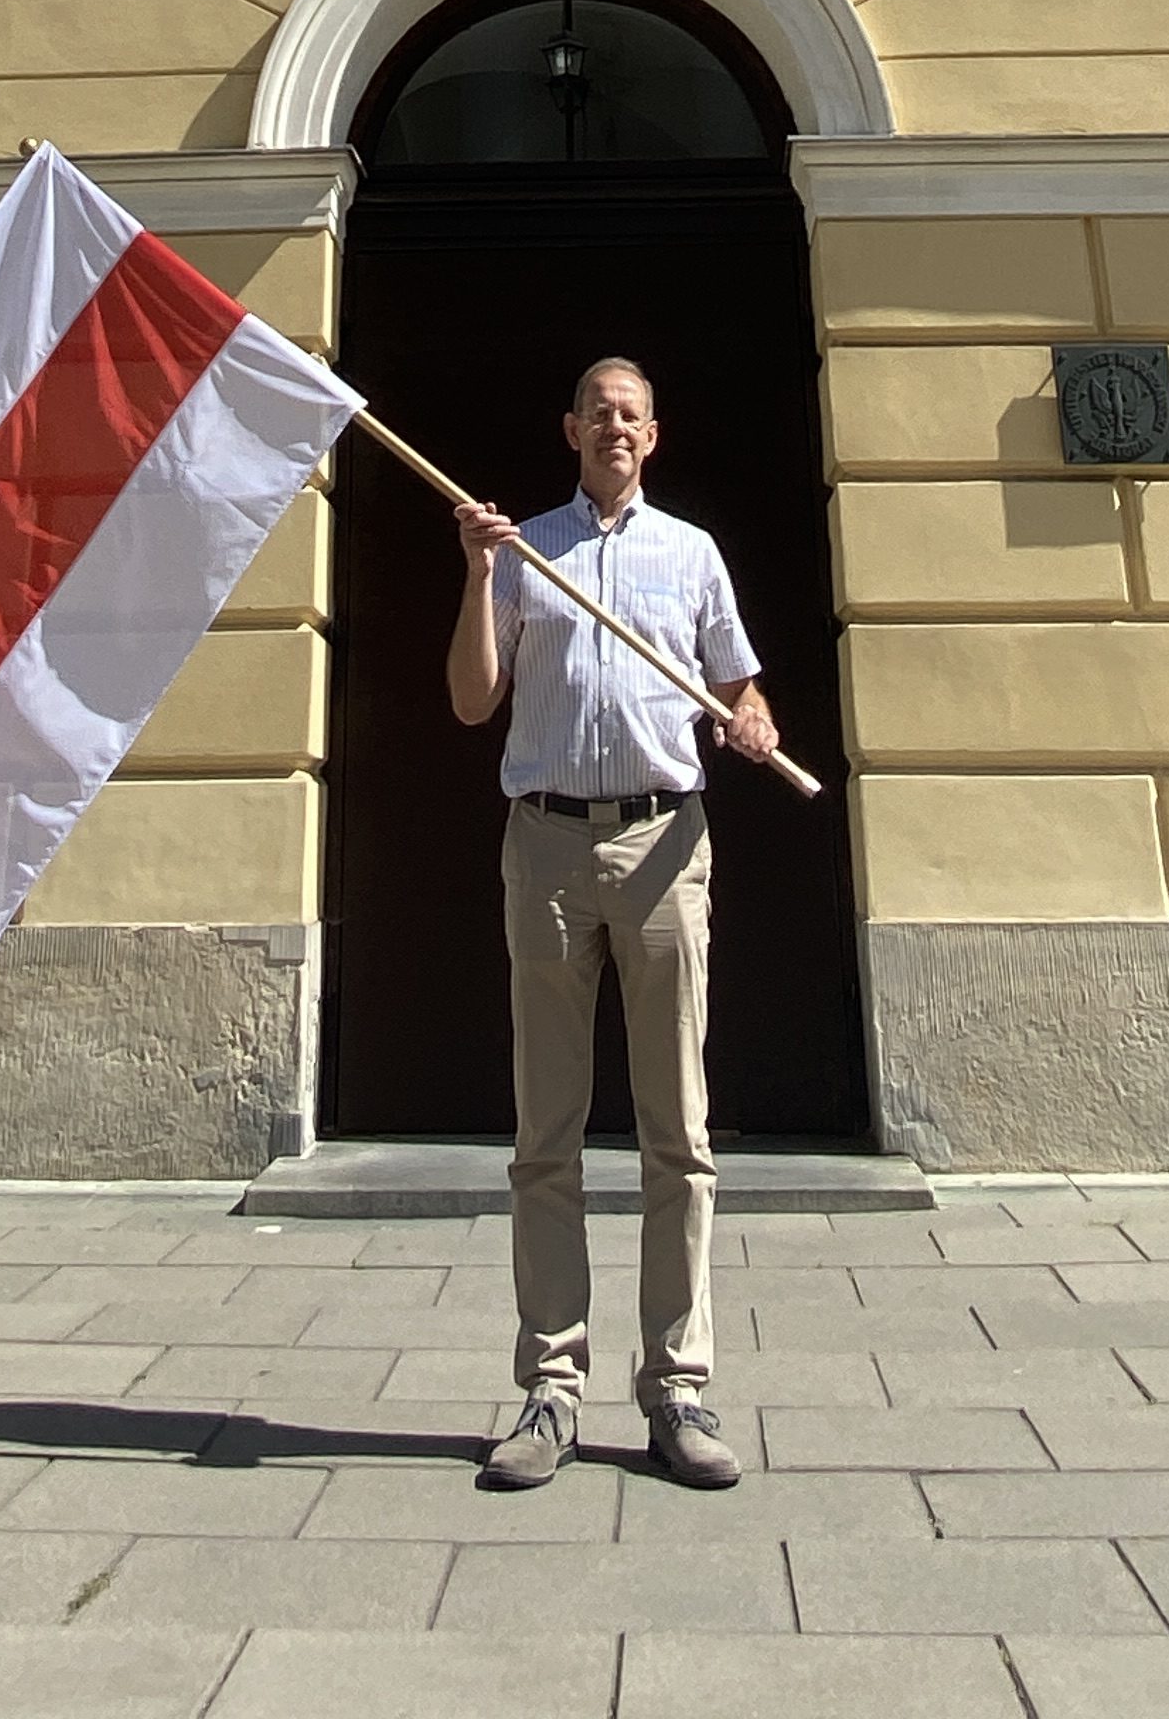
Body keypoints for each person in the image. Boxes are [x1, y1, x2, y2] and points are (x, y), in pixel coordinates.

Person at [447, 354, 779, 1494]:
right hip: (543, 844)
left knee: (675, 1135)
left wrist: (749, 724)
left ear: (653, 434)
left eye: (630, 415)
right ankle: (550, 1386)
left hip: (661, 845)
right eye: (597, 413)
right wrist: (477, 573)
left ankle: (678, 1389)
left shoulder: (690, 554)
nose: (614, 429)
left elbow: (743, 690)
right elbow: (470, 699)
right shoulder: (523, 548)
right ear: (571, 429)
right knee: (547, 1134)